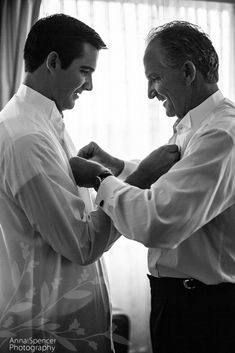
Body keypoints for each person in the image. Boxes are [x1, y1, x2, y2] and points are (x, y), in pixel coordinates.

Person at [70, 21, 235, 353]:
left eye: (155, 78)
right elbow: (179, 185)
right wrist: (119, 167)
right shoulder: (198, 126)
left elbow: (159, 220)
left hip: (203, 313)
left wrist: (102, 181)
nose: (150, 92)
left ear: (188, 72)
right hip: (181, 302)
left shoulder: (221, 135)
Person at [0, 14, 123, 353]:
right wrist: (117, 182)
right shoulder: (27, 137)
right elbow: (82, 244)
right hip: (48, 332)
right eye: (85, 71)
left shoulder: (45, 125)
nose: (90, 86)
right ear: (53, 62)